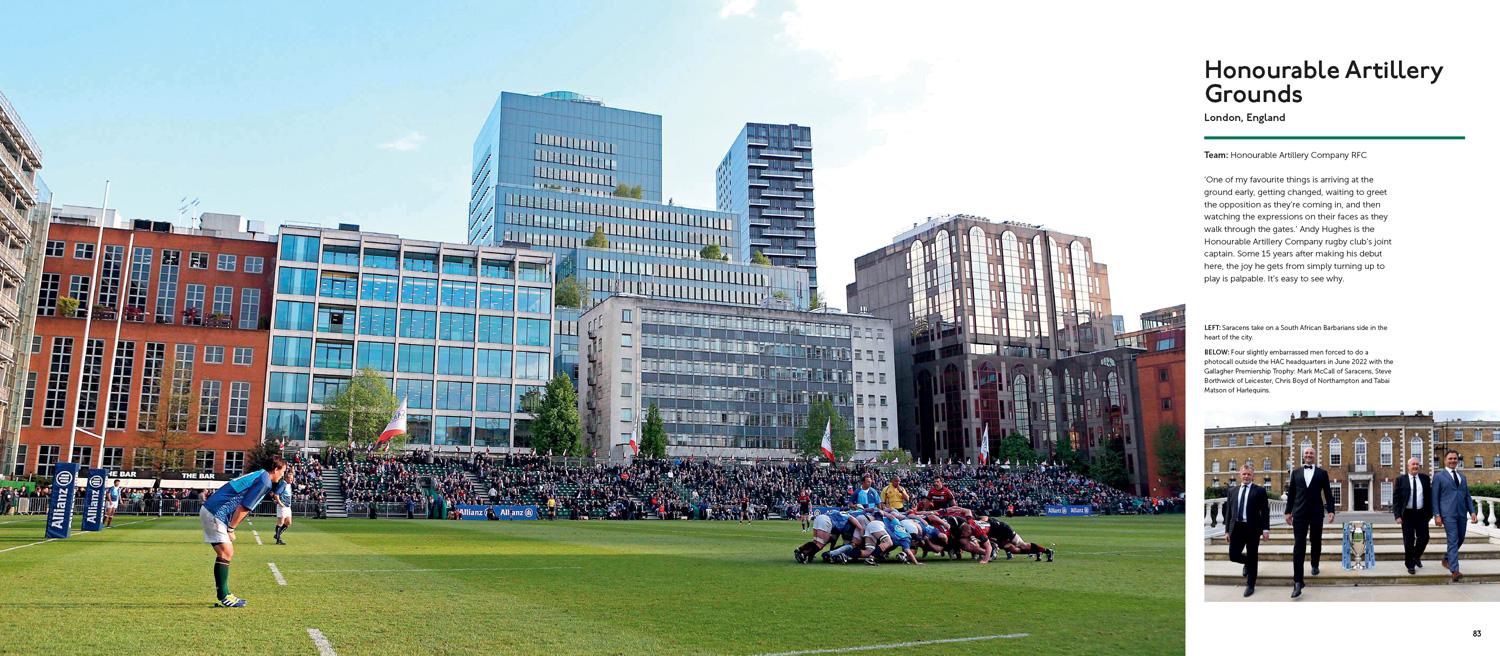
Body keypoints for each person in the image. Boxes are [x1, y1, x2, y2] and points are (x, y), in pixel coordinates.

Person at [201, 455, 286, 607]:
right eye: (282, 472)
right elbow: (244, 507)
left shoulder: (260, 475)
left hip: (213, 509)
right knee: (226, 552)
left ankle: (224, 594)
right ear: (275, 469)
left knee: (225, 552)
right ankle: (224, 595)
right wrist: (231, 528)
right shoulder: (265, 481)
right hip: (216, 512)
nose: (282, 476)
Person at [1284, 446, 1335, 599]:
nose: (1308, 455)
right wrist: (1288, 511)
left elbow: (1327, 493)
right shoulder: (1296, 472)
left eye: (1311, 453)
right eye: (1306, 453)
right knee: (1299, 545)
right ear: (1303, 455)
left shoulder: (1322, 473)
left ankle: (1314, 564)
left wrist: (1331, 510)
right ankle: (1298, 581)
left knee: (1315, 541)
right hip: (1299, 513)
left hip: (1316, 513)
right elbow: (1291, 493)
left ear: (1315, 456)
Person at [1432, 450, 1479, 582]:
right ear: (1445, 460)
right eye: (1450, 458)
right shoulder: (1439, 476)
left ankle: (1447, 558)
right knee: (1453, 539)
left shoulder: (1462, 477)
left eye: (1455, 458)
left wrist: (1472, 511)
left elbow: (1467, 496)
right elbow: (1434, 498)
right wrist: (1437, 515)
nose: (1453, 460)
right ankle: (1455, 571)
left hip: (1461, 513)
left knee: (1461, 538)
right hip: (1447, 514)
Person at [1225, 464, 1269, 597]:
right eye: (1244, 474)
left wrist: (1265, 529)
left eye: (1249, 474)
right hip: (1237, 527)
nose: (1246, 476)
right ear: (1240, 474)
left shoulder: (1260, 491)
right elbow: (1228, 512)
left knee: (1252, 554)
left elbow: (1265, 511)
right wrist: (1227, 530)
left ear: (1253, 476)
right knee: (1233, 555)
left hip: (1253, 528)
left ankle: (1250, 584)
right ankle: (1248, 563)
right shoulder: (1232, 491)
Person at [1392, 457, 1432, 575]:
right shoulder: (1400, 480)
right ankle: (1410, 564)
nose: (1415, 466)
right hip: (1407, 514)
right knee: (1409, 540)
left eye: (1417, 464)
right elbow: (1396, 499)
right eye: (1413, 464)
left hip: (1422, 513)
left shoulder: (1425, 479)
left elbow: (1429, 497)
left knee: (1424, 538)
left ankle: (1416, 557)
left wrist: (1430, 514)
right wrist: (1397, 515)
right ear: (1408, 466)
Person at [273, 470, 294, 545]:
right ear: (286, 478)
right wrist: (280, 503)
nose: (292, 480)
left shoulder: (288, 484)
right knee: (281, 522)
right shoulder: (283, 484)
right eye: (291, 479)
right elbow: (276, 494)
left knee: (288, 522)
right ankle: (278, 540)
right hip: (283, 506)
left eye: (292, 478)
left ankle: (277, 535)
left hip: (288, 506)